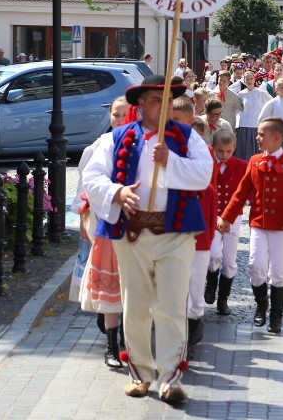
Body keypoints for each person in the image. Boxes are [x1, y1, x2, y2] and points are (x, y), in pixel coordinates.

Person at [81, 75, 213, 403]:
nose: (164, 106)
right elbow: (92, 175)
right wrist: (117, 191)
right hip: (133, 233)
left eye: (168, 100)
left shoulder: (187, 138)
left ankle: (169, 378)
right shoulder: (117, 137)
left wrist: (173, 162)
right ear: (141, 104)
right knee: (136, 306)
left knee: (171, 306)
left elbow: (203, 174)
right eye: (157, 100)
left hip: (175, 233)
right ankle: (140, 373)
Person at [218, 117, 283, 334]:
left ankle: (276, 316)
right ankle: (261, 304)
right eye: (258, 134)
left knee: (278, 271)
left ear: (277, 138)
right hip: (259, 222)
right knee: (255, 266)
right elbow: (241, 192)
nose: (257, 138)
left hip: (281, 226)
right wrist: (227, 217)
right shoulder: (255, 160)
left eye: (262, 135)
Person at [71, 96, 129, 370]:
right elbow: (86, 186)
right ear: (109, 116)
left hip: (135, 226)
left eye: (125, 115)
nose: (119, 120)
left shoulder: (142, 142)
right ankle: (111, 344)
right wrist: (85, 221)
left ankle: (129, 339)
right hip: (103, 222)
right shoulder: (99, 146)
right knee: (107, 287)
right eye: (116, 115)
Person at [170, 97, 216, 357]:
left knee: (196, 280)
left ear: (190, 120)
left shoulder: (203, 152)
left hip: (198, 220)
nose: (172, 125)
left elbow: (208, 188)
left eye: (177, 121)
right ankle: (179, 330)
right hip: (174, 223)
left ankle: (195, 319)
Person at [203, 129, 248, 315]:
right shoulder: (206, 164)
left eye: (228, 151)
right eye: (220, 151)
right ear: (213, 148)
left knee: (229, 261)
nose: (224, 155)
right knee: (213, 255)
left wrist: (229, 217)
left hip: (233, 218)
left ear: (234, 148)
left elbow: (244, 194)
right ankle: (211, 283)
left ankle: (223, 299)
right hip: (212, 217)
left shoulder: (242, 166)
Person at [236, 70, 273, 161]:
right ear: (244, 80)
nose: (249, 81)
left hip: (256, 125)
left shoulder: (261, 93)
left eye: (251, 79)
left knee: (256, 151)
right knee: (243, 152)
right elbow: (238, 108)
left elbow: (271, 103)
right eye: (247, 79)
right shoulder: (241, 94)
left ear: (254, 80)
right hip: (243, 125)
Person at [259, 77, 283, 155]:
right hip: (274, 138)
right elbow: (261, 119)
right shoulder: (272, 103)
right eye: (282, 87)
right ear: (277, 89)